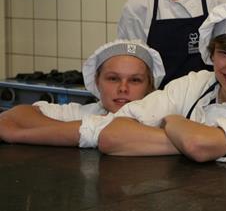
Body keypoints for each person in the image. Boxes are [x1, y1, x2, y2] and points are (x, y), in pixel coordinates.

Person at [98, 2, 226, 162]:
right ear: (211, 55)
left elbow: (198, 145)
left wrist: (172, 120)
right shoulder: (194, 84)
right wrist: (191, 140)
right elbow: (111, 136)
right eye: (225, 53)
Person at [0, 40, 164, 148]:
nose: (123, 88)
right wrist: (64, 131)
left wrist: (54, 133)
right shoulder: (89, 112)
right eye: (113, 78)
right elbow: (18, 113)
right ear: (97, 82)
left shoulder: (157, 121)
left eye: (135, 80)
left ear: (150, 87)